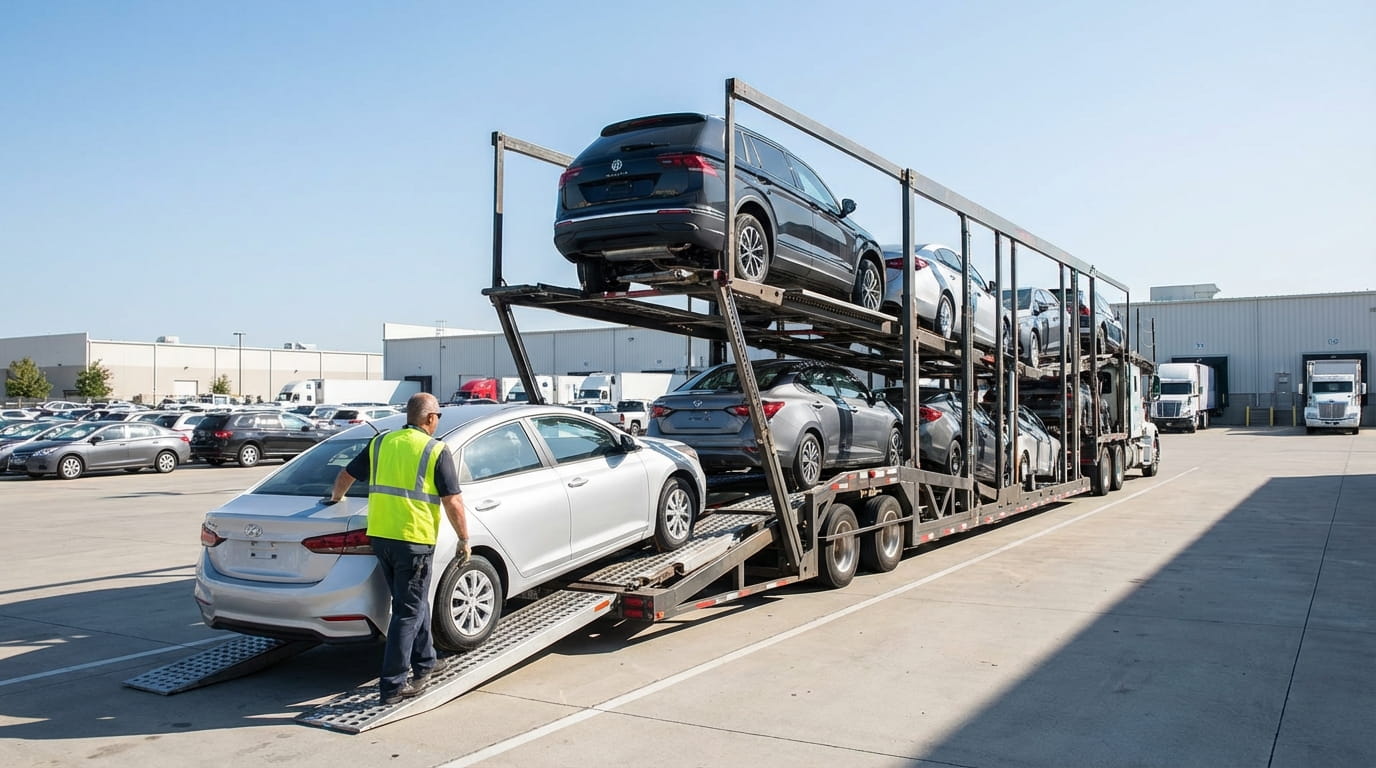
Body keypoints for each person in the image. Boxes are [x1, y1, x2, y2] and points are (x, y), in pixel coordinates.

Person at [323, 392, 470, 705]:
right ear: (430, 418)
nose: (438, 421)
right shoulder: (434, 449)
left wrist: (335, 499)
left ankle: (427, 660)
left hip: (381, 537)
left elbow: (346, 475)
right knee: (407, 610)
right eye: (438, 416)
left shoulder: (381, 443)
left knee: (413, 603)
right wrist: (464, 538)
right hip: (413, 540)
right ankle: (392, 685)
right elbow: (452, 500)